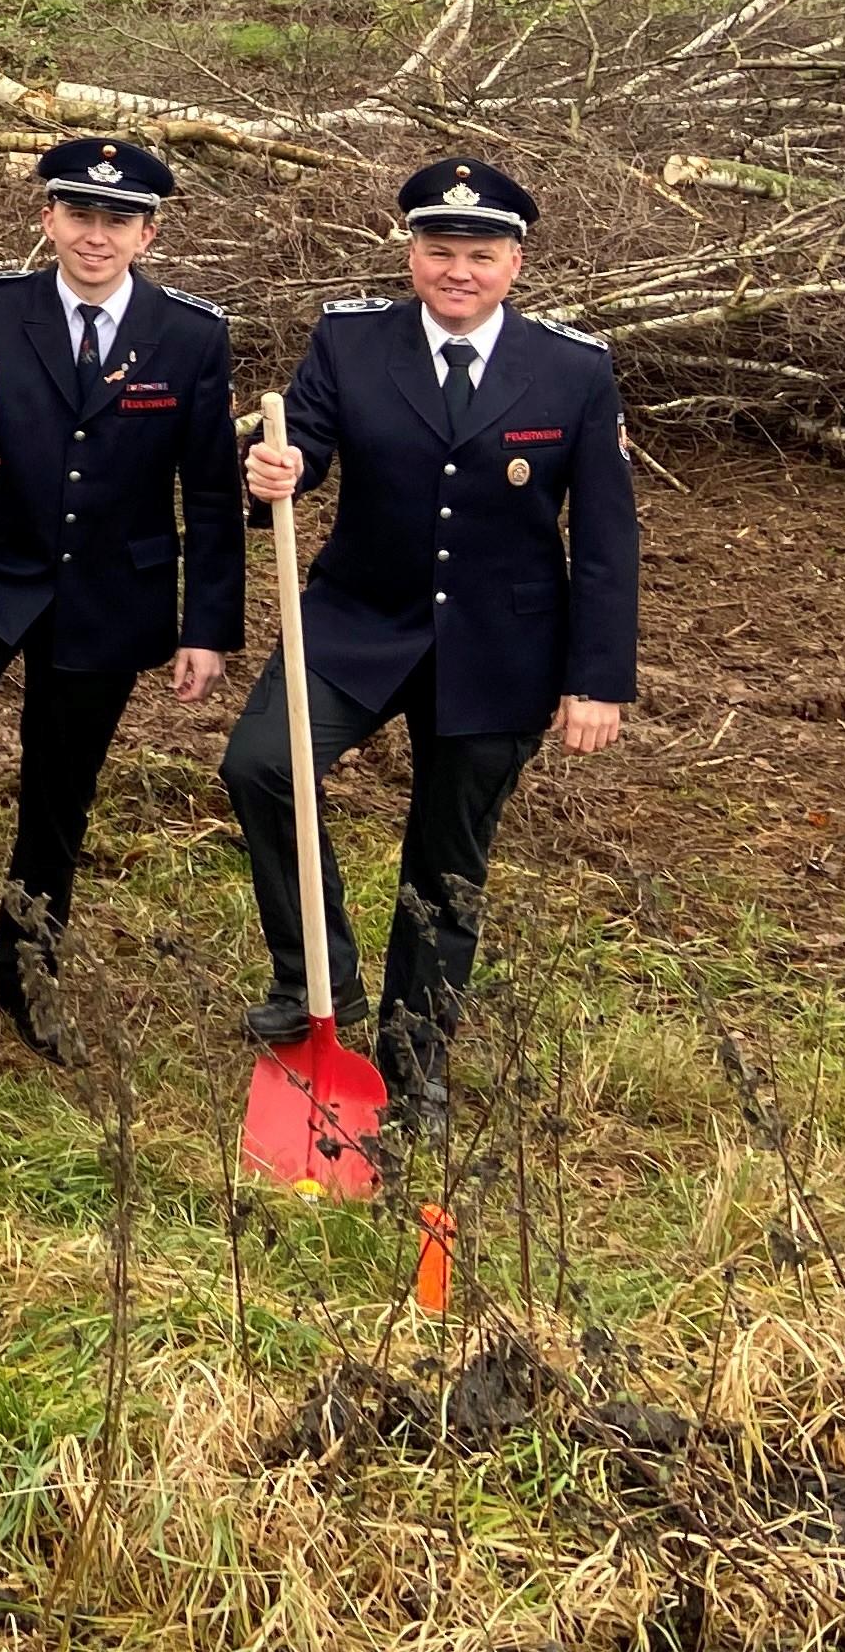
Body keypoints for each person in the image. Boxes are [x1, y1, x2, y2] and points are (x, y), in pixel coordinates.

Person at [231, 155, 638, 1125]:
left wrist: (597, 679)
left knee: (446, 863)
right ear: (412, 252)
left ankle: (414, 1066)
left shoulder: (573, 370)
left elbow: (610, 536)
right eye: (440, 250)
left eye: (481, 255)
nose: (459, 270)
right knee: (261, 766)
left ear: (515, 262)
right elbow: (301, 449)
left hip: (503, 646)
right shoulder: (351, 341)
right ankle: (316, 981)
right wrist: (268, 469)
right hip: (360, 623)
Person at [0, 137, 238, 1061]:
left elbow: (214, 492)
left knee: (58, 789)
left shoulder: (189, 337)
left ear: (147, 233)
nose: (95, 235)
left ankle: (30, 964)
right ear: (48, 221)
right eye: (79, 215)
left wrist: (208, 626)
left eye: (117, 220)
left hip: (111, 591)